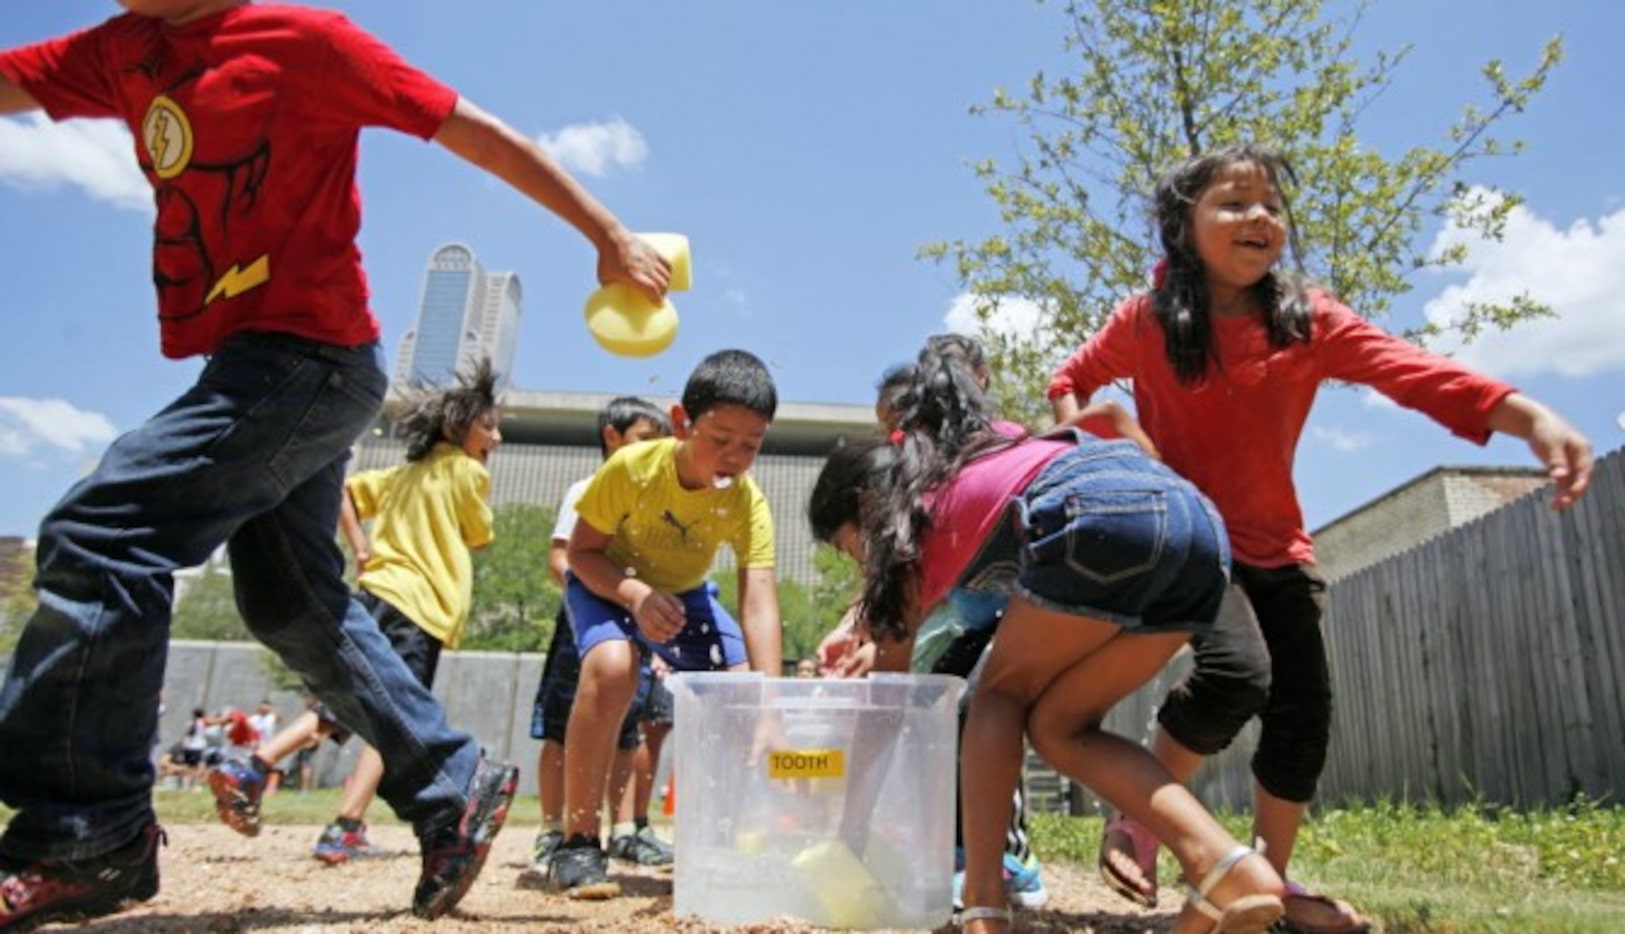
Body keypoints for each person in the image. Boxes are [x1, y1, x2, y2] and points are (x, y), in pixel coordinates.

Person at [0, 2, 669, 927]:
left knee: (103, 530)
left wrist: (605, 235)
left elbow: (473, 132)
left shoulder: (302, 40)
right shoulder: (121, 50)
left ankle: (84, 830)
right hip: (256, 365)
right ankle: (452, 782)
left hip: (309, 360)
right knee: (289, 601)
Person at [1047, 143, 1594, 934]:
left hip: (1279, 546)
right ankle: (1135, 817)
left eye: (1270, 203)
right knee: (1238, 673)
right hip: (1194, 541)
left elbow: (1413, 372)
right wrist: (1090, 447)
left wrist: (1528, 416)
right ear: (1182, 226)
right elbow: (1070, 376)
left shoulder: (1305, 320)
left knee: (1304, 711)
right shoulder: (1145, 322)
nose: (1258, 217)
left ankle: (1271, 880)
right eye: (1233, 203)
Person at [812, 340, 1288, 933]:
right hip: (1197, 531)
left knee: (998, 697)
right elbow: (1111, 427)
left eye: (847, 546)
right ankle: (1224, 864)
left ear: (866, 506)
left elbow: (885, 705)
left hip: (1096, 513)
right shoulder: (999, 449)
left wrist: (844, 832)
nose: (859, 563)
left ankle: (984, 903)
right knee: (1059, 726)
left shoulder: (919, 519)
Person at [209, 359, 505, 867]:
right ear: (458, 429)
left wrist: (360, 546)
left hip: (377, 595)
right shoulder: (467, 473)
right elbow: (480, 536)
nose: (496, 438)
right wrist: (477, 476)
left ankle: (255, 764)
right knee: (398, 720)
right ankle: (346, 826)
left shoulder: (402, 473)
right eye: (489, 426)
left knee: (346, 704)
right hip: (422, 606)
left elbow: (344, 491)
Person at [545, 349, 784, 899]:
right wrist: (632, 594)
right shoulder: (632, 468)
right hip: (610, 583)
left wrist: (770, 700)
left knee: (742, 692)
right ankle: (579, 840)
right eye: (720, 440)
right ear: (681, 423)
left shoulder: (748, 502)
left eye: (750, 446)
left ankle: (719, 842)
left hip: (684, 595)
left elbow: (759, 602)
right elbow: (581, 553)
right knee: (611, 666)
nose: (734, 458)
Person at [521, 396, 681, 882]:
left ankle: (626, 828)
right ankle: (555, 827)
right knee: (560, 725)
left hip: (637, 623)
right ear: (612, 437)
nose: (651, 452)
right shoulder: (587, 490)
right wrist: (595, 597)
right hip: (583, 623)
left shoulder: (653, 498)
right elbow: (560, 559)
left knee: (629, 727)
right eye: (642, 440)